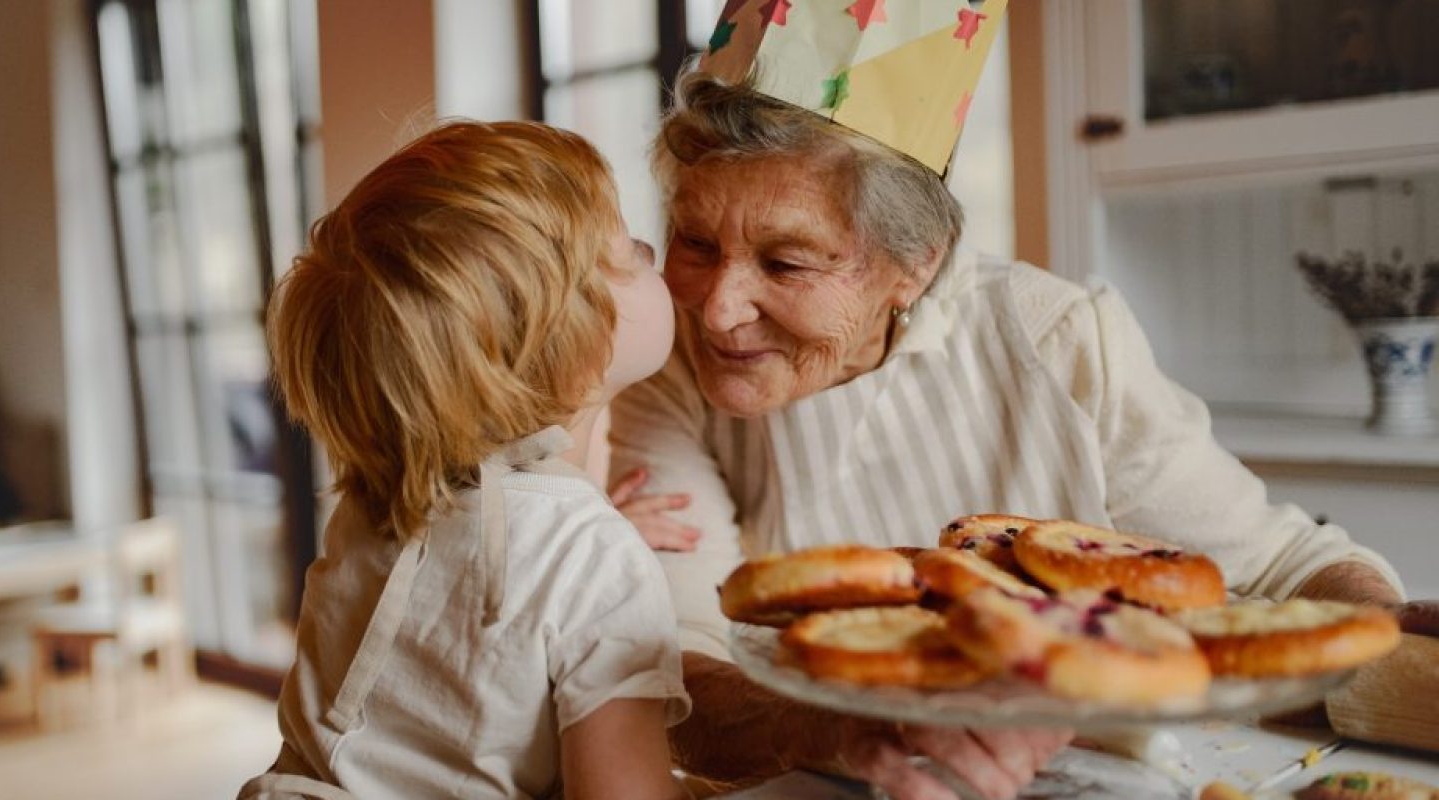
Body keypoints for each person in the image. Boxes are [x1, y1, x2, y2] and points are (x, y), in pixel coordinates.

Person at [608, 72, 1423, 800]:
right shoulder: (669, 362)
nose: (718, 309)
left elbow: (1286, 570)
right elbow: (671, 667)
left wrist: (1386, 621)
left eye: (786, 264)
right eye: (695, 242)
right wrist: (841, 730)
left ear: (915, 265)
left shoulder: (1056, 340)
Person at [241, 120, 688, 800]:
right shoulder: (597, 567)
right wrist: (597, 568)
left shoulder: (369, 505)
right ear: (575, 343)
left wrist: (586, 552)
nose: (655, 257)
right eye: (632, 250)